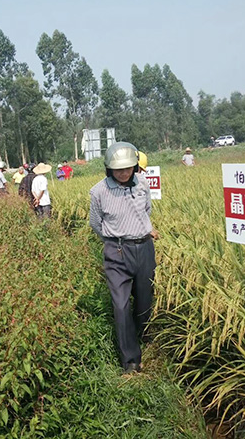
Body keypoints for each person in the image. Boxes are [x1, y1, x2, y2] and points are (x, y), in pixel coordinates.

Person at [89, 141, 157, 374]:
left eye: (128, 168)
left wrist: (140, 231)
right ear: (109, 169)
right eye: (118, 169)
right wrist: (115, 239)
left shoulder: (143, 184)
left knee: (144, 298)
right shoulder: (99, 192)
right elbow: (95, 223)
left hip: (144, 248)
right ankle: (130, 359)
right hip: (116, 251)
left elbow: (146, 211)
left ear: (135, 166)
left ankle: (141, 333)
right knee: (120, 304)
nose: (123, 173)